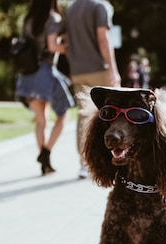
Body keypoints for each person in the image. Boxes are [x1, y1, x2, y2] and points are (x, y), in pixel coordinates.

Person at [15, 0, 75, 176]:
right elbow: (52, 46)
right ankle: (46, 152)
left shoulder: (29, 18)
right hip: (45, 73)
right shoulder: (53, 18)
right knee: (63, 115)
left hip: (27, 73)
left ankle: (45, 163)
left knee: (41, 121)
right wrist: (66, 47)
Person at [64, 0, 121, 178]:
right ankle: (112, 159)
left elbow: (66, 40)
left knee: (83, 115)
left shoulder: (70, 8)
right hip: (99, 69)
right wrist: (113, 70)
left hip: (77, 71)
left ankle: (84, 163)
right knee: (110, 112)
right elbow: (103, 39)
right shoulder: (100, 6)